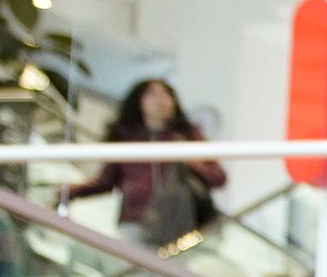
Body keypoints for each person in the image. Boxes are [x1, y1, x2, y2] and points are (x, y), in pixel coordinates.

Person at [66, 76, 228, 249]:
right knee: (144, 269)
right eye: (152, 94)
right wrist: (69, 192)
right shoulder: (127, 141)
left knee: (172, 271)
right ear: (139, 101)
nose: (161, 100)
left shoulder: (187, 136)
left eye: (166, 94)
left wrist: (189, 160)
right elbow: (106, 181)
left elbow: (218, 177)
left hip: (181, 219)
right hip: (138, 220)